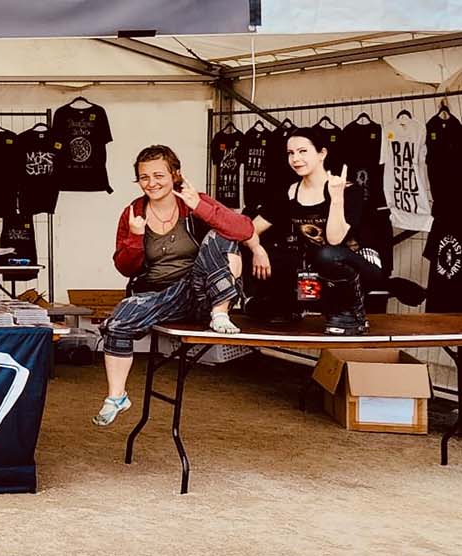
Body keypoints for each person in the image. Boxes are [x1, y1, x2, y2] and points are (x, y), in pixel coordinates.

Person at [93, 145, 253, 426]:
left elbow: (244, 230)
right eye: (144, 177)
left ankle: (221, 312)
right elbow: (125, 268)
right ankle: (116, 396)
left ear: (175, 174)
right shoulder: (133, 212)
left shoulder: (193, 202)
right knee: (118, 321)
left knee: (221, 234)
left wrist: (200, 207)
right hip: (158, 295)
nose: (151, 183)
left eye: (158, 175)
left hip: (200, 292)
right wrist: (135, 237)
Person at [243, 128, 384, 335]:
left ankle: (354, 312)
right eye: (291, 153)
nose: (295, 159)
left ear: (322, 154)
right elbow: (249, 230)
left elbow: (335, 240)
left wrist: (336, 199)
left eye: (303, 151)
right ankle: (287, 305)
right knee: (259, 252)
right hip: (317, 269)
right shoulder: (289, 193)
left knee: (326, 254)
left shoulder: (348, 190)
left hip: (359, 265)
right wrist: (257, 250)